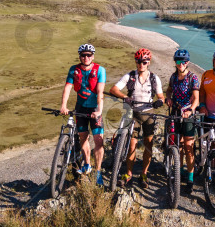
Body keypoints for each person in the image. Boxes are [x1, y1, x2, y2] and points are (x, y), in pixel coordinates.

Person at [109, 48, 164, 189]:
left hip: (148, 114)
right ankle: (128, 174)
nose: (141, 64)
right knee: (131, 145)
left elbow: (161, 96)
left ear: (148, 62)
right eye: (139, 61)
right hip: (132, 114)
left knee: (148, 145)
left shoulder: (154, 78)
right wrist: (125, 97)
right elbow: (114, 89)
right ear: (136, 62)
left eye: (144, 62)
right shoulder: (130, 76)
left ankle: (144, 174)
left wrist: (160, 101)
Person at [59, 44, 106, 185]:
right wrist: (63, 106)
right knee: (83, 137)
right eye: (83, 55)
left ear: (93, 56)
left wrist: (99, 110)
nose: (86, 57)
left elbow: (100, 92)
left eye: (89, 55)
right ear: (80, 56)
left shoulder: (100, 70)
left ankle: (98, 172)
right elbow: (67, 87)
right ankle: (87, 164)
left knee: (98, 140)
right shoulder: (74, 70)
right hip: (80, 108)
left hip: (95, 108)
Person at [164, 48, 200, 194]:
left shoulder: (193, 78)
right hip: (175, 113)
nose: (181, 64)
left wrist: (191, 110)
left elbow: (196, 99)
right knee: (176, 144)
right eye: (178, 61)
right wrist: (168, 98)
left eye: (183, 62)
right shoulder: (173, 77)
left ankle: (190, 178)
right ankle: (178, 172)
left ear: (188, 63)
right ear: (175, 62)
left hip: (188, 114)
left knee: (188, 147)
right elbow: (169, 90)